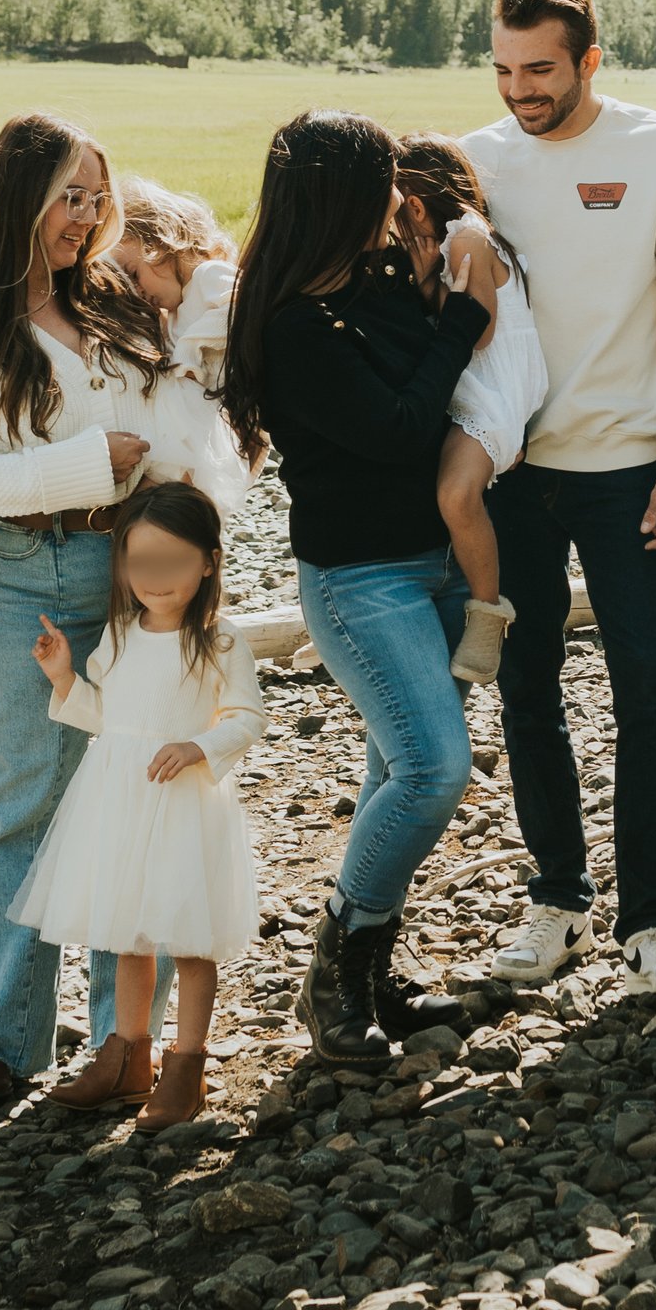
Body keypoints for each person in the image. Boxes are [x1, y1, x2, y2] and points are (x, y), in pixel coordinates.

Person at [0, 111, 249, 1108]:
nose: (89, 218)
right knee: (20, 793)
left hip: (142, 572)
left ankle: (121, 1043)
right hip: (35, 565)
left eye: (99, 198)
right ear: (20, 196)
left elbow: (190, 382)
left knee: (140, 788)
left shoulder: (113, 294)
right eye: (70, 197)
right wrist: (91, 462)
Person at [467, 0, 656, 1000]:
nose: (518, 88)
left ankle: (651, 923)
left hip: (626, 469)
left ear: (588, 61)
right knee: (526, 689)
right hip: (506, 475)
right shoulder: (473, 163)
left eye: (539, 69)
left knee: (645, 693)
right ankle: (559, 900)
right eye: (502, 68)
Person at [221, 108, 497, 1065]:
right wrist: (462, 314)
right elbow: (402, 427)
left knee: (397, 770)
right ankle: (335, 960)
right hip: (359, 577)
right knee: (433, 766)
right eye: (384, 176)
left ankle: (372, 974)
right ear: (343, 194)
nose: (400, 192)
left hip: (440, 562)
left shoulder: (377, 279)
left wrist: (430, 291)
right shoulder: (295, 324)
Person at [14, 482, 263, 1122]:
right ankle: (127, 1058)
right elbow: (111, 720)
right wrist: (65, 677)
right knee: (129, 936)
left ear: (208, 562)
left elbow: (246, 717)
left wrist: (198, 746)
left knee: (189, 941)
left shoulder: (221, 640)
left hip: (183, 803)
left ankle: (187, 1068)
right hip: (119, 796)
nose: (157, 578)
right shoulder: (120, 634)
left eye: (174, 562)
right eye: (141, 562)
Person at [392, 133, 546, 685]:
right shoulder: (466, 235)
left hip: (489, 390)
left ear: (412, 203)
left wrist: (420, 277)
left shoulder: (465, 240)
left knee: (455, 495)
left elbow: (475, 332)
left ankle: (487, 615)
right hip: (480, 389)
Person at [115, 180, 237, 395]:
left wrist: (188, 350)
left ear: (159, 244)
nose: (138, 292)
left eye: (134, 274)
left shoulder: (209, 274)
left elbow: (242, 311)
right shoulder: (173, 316)